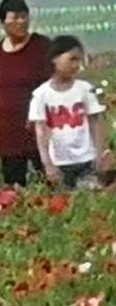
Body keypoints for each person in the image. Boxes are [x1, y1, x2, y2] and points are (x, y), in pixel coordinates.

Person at [29, 35, 108, 190]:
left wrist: (100, 153)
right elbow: (41, 132)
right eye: (72, 59)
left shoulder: (85, 89)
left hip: (87, 160)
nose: (76, 65)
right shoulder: (41, 95)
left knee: (90, 203)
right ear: (54, 59)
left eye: (79, 60)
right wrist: (47, 164)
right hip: (60, 163)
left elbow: (95, 123)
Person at [0, 0, 50, 187]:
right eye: (14, 17)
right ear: (3, 21)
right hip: (9, 129)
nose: (21, 22)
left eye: (24, 16)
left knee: (46, 184)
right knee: (13, 186)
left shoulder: (42, 46)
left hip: (40, 127)